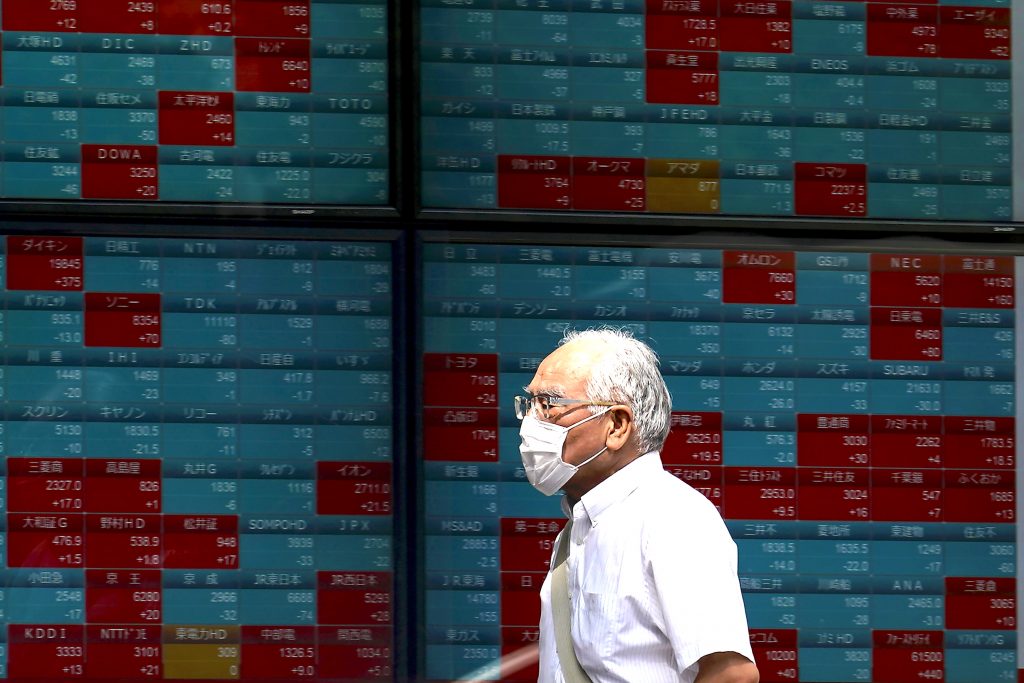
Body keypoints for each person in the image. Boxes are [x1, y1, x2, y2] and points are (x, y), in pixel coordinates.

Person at [516, 328, 759, 683]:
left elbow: (731, 675)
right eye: (530, 404)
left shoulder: (673, 518)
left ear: (616, 425)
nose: (530, 423)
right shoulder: (580, 529)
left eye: (550, 405)